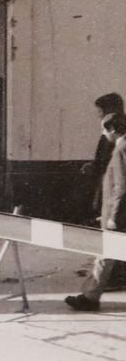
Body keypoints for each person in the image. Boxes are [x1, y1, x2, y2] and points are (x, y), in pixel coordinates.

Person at [67, 112, 126, 311]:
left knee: (105, 255)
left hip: (119, 215)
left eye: (104, 129)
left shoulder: (121, 149)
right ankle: (90, 296)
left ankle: (90, 298)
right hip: (119, 212)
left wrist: (113, 217)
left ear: (112, 130)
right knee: (107, 256)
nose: (103, 133)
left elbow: (121, 187)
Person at [84, 93, 124, 220]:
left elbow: (120, 182)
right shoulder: (111, 133)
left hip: (111, 192)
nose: (99, 115)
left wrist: (113, 214)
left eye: (100, 111)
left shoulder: (116, 137)